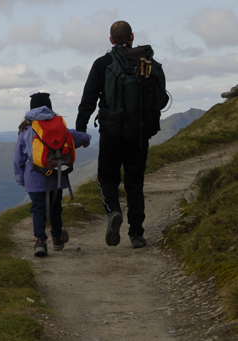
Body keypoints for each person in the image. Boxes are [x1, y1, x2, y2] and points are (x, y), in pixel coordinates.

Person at [75, 20, 160, 249]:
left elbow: (89, 98)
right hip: (139, 132)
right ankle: (137, 234)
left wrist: (81, 130)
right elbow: (160, 99)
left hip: (111, 131)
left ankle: (113, 211)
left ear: (111, 40)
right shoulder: (149, 63)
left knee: (107, 177)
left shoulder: (103, 63)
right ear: (132, 37)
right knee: (135, 183)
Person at [14, 92, 91, 257]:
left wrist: (20, 178)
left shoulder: (26, 129)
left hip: (34, 177)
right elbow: (74, 137)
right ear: (49, 106)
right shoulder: (58, 125)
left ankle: (40, 241)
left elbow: (18, 158)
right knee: (55, 207)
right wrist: (87, 138)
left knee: (38, 209)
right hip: (56, 176)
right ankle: (57, 237)